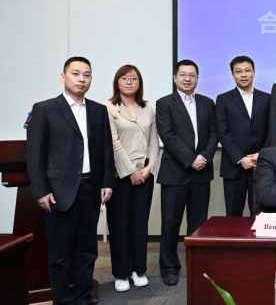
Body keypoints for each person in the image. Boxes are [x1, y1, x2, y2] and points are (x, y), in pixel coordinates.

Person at [26, 56, 114, 304]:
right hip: (58, 192)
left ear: (91, 79)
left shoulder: (99, 110)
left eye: (86, 75)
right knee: (60, 255)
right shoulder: (44, 109)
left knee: (87, 251)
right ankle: (62, 301)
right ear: (63, 77)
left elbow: (106, 150)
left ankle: (83, 298)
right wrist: (40, 190)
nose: (81, 79)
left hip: (90, 190)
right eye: (76, 74)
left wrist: (107, 182)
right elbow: (34, 154)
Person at [156, 59, 217, 286]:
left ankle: (197, 264)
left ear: (198, 79)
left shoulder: (207, 103)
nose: (187, 78)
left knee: (198, 223)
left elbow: (214, 134)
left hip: (201, 172)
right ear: (175, 78)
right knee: (170, 223)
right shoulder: (164, 103)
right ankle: (169, 267)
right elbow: (167, 135)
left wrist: (204, 157)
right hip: (175, 172)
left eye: (192, 75)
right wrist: (191, 159)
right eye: (183, 74)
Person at [105, 65, 160, 291]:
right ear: (117, 82)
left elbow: (154, 141)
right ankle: (121, 273)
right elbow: (113, 143)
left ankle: (138, 270)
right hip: (120, 175)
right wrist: (131, 171)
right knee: (119, 225)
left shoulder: (148, 107)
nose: (129, 82)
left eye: (134, 78)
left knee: (140, 224)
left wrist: (150, 168)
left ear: (139, 82)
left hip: (144, 175)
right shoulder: (109, 107)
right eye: (124, 78)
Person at [215, 55, 270, 217]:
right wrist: (240, 158)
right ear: (233, 75)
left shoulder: (267, 98)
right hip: (233, 167)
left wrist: (261, 155)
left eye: (247, 70)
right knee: (233, 215)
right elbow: (222, 132)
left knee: (259, 214)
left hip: (261, 166)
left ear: (254, 73)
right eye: (238, 71)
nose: (243, 75)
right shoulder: (223, 99)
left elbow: (271, 130)